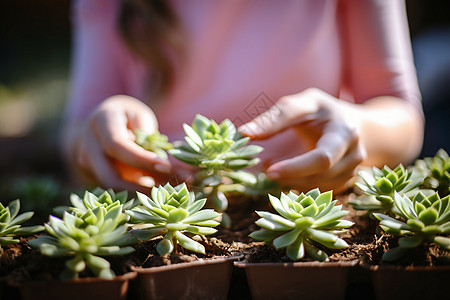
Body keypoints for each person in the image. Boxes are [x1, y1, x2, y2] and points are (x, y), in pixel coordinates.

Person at [61, 0, 424, 195]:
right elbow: (75, 133)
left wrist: (358, 129)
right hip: (163, 202)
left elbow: (401, 115)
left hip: (311, 198)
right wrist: (97, 132)